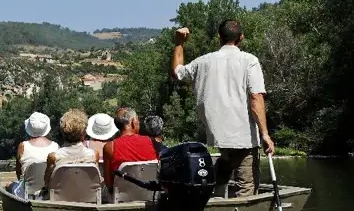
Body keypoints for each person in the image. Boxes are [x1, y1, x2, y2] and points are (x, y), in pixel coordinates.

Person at [170, 19, 275, 197]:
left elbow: (177, 72)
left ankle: (213, 201)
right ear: (241, 37)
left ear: (219, 37)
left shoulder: (203, 62)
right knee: (246, 189)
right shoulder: (250, 61)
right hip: (244, 139)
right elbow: (256, 98)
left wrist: (179, 43)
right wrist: (265, 134)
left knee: (224, 166)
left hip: (219, 136)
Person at [102, 107, 158, 194]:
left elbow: (108, 183)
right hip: (149, 195)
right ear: (133, 122)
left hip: (121, 198)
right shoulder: (151, 142)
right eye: (138, 120)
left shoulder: (110, 147)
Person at [8, 111, 59, 197]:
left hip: (28, 193)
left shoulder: (22, 146)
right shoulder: (56, 146)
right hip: (49, 192)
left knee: (8, 185)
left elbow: (19, 173)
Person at [44, 109, 100, 186]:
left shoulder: (53, 157)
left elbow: (47, 184)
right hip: (86, 197)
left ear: (63, 131)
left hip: (61, 197)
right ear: (83, 132)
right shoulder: (93, 155)